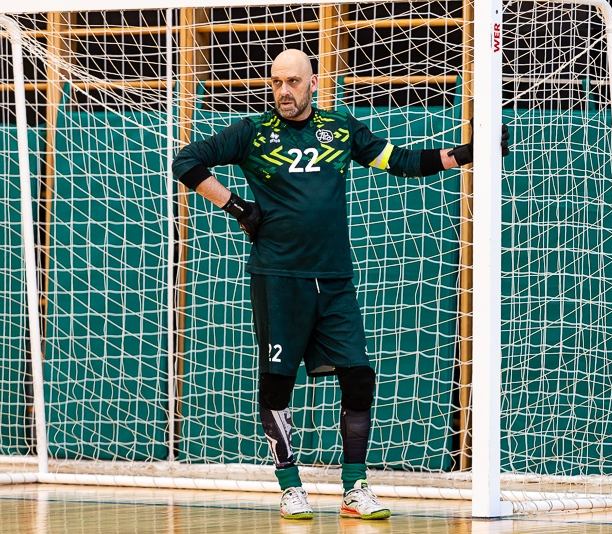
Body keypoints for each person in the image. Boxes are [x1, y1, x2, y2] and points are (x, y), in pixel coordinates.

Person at [172, 48, 509, 521]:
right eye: (275, 82)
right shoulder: (252, 132)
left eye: (292, 82)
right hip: (279, 277)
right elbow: (186, 162)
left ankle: (355, 488)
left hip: (333, 278)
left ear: (313, 83)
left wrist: (467, 154)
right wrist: (238, 207)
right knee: (278, 382)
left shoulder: (341, 128)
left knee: (359, 376)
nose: (283, 91)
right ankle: (290, 487)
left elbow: (402, 160)